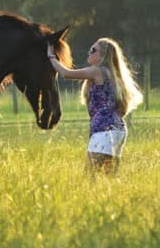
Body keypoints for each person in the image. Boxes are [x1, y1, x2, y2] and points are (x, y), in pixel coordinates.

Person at [47, 37, 143, 172]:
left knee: (91, 176)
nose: (89, 52)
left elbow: (65, 74)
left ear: (103, 55)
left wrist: (51, 56)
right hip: (118, 130)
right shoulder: (113, 75)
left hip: (103, 131)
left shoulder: (97, 71)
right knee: (107, 178)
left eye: (93, 50)